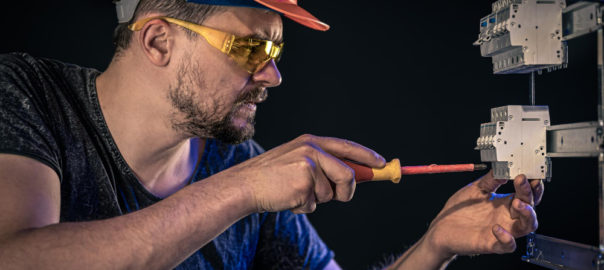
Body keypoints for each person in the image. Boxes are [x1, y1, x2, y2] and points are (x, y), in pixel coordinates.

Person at [0, 0, 543, 269]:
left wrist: (434, 246)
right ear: (160, 41)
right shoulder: (26, 92)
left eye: (276, 51)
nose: (272, 75)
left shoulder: (246, 167)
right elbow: (15, 256)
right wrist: (241, 189)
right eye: (250, 48)